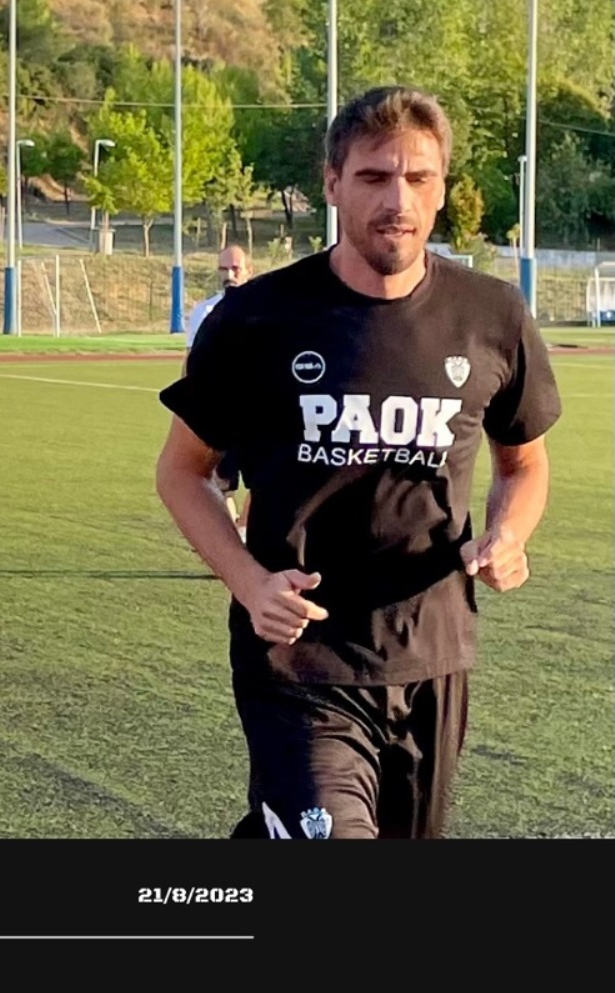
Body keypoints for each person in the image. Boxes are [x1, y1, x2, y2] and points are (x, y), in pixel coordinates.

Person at [155, 86, 561, 840]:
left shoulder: (493, 316)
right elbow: (182, 471)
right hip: (299, 659)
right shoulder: (257, 318)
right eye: (374, 177)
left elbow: (524, 465)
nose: (396, 201)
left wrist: (510, 535)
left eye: (418, 179)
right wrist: (249, 583)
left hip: (433, 651)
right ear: (333, 183)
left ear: (441, 189)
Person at [186, 245, 253, 541]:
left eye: (235, 268)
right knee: (219, 480)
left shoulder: (267, 307)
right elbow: (191, 360)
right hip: (220, 410)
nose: (229, 274)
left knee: (263, 478)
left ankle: (244, 528)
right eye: (224, 269)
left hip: (258, 408)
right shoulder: (205, 311)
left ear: (248, 270)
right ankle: (233, 539)